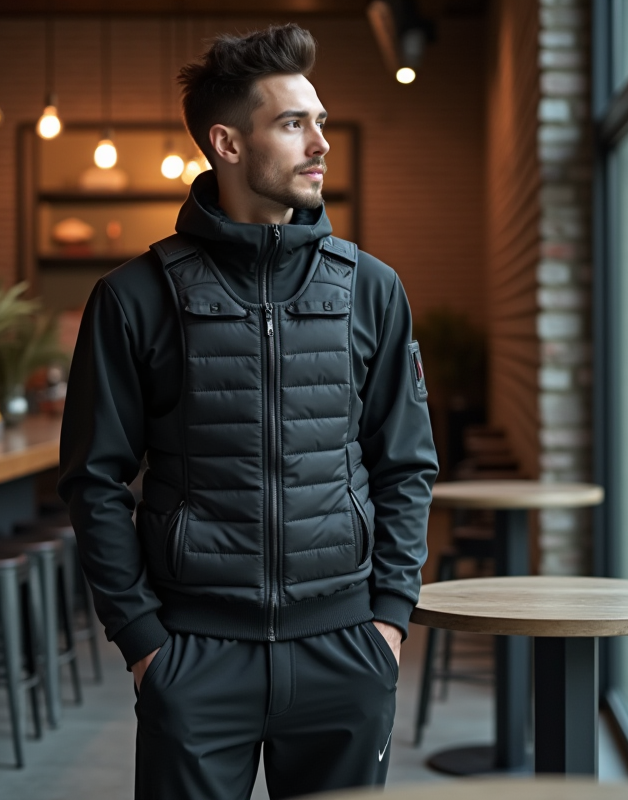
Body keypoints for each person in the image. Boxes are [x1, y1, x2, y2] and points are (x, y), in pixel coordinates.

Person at [58, 24, 438, 800]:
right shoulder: (134, 297)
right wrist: (144, 646)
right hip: (195, 657)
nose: (320, 143)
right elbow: (94, 480)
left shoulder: (372, 289)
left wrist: (388, 624)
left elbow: (406, 462)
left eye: (321, 122)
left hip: (346, 652)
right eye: (294, 124)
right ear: (228, 144)